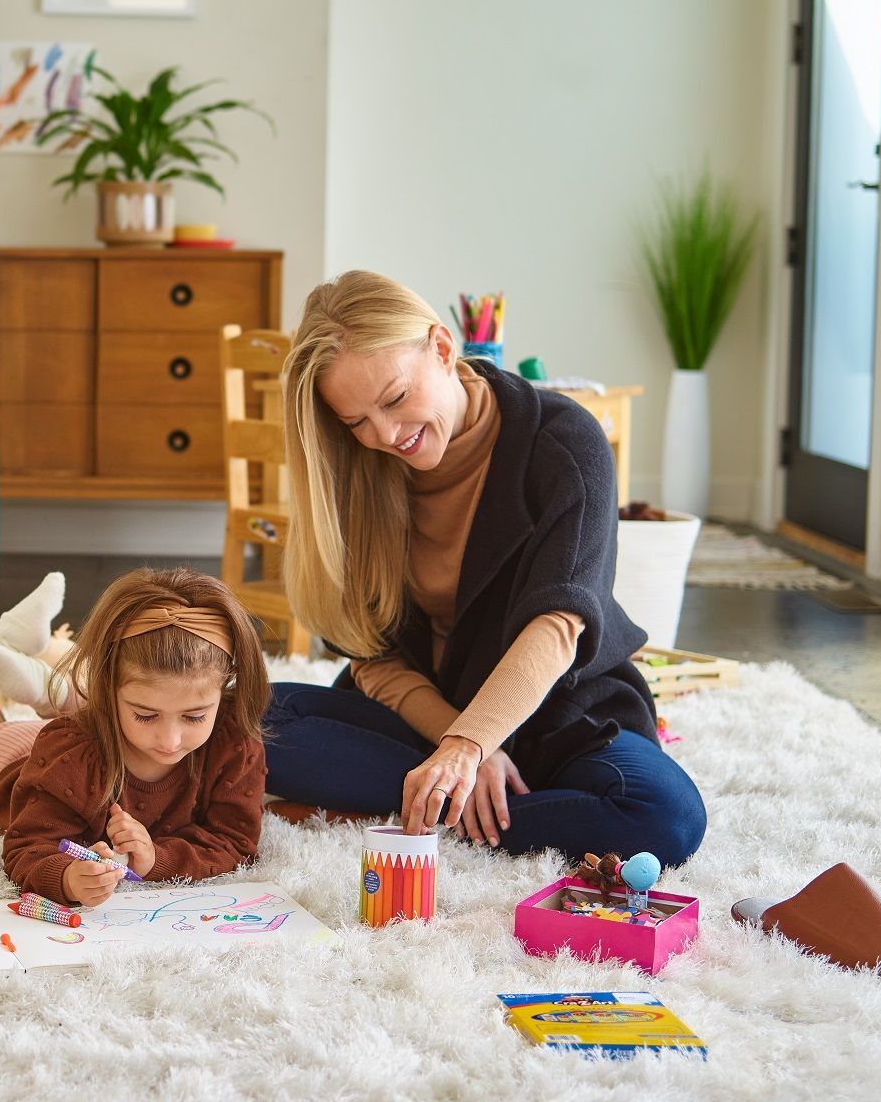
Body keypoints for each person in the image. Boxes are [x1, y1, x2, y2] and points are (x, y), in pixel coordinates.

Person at [262, 271, 706, 865]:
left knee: (666, 819)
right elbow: (376, 658)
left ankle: (429, 805)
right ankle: (470, 802)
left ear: (443, 349)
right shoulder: (357, 467)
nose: (386, 436)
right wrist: (459, 743)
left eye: (394, 399)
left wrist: (472, 743)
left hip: (556, 714)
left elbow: (557, 624)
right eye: (357, 421)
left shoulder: (563, 441)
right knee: (244, 716)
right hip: (424, 720)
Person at [0, 567, 270, 906]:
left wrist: (157, 859)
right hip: (9, 759)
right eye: (145, 715)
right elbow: (26, 849)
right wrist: (67, 880)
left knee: (102, 728)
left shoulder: (234, 740)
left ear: (225, 690)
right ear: (107, 689)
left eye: (194, 716)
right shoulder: (71, 753)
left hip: (77, 742)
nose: (170, 740)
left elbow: (234, 840)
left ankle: (39, 680)